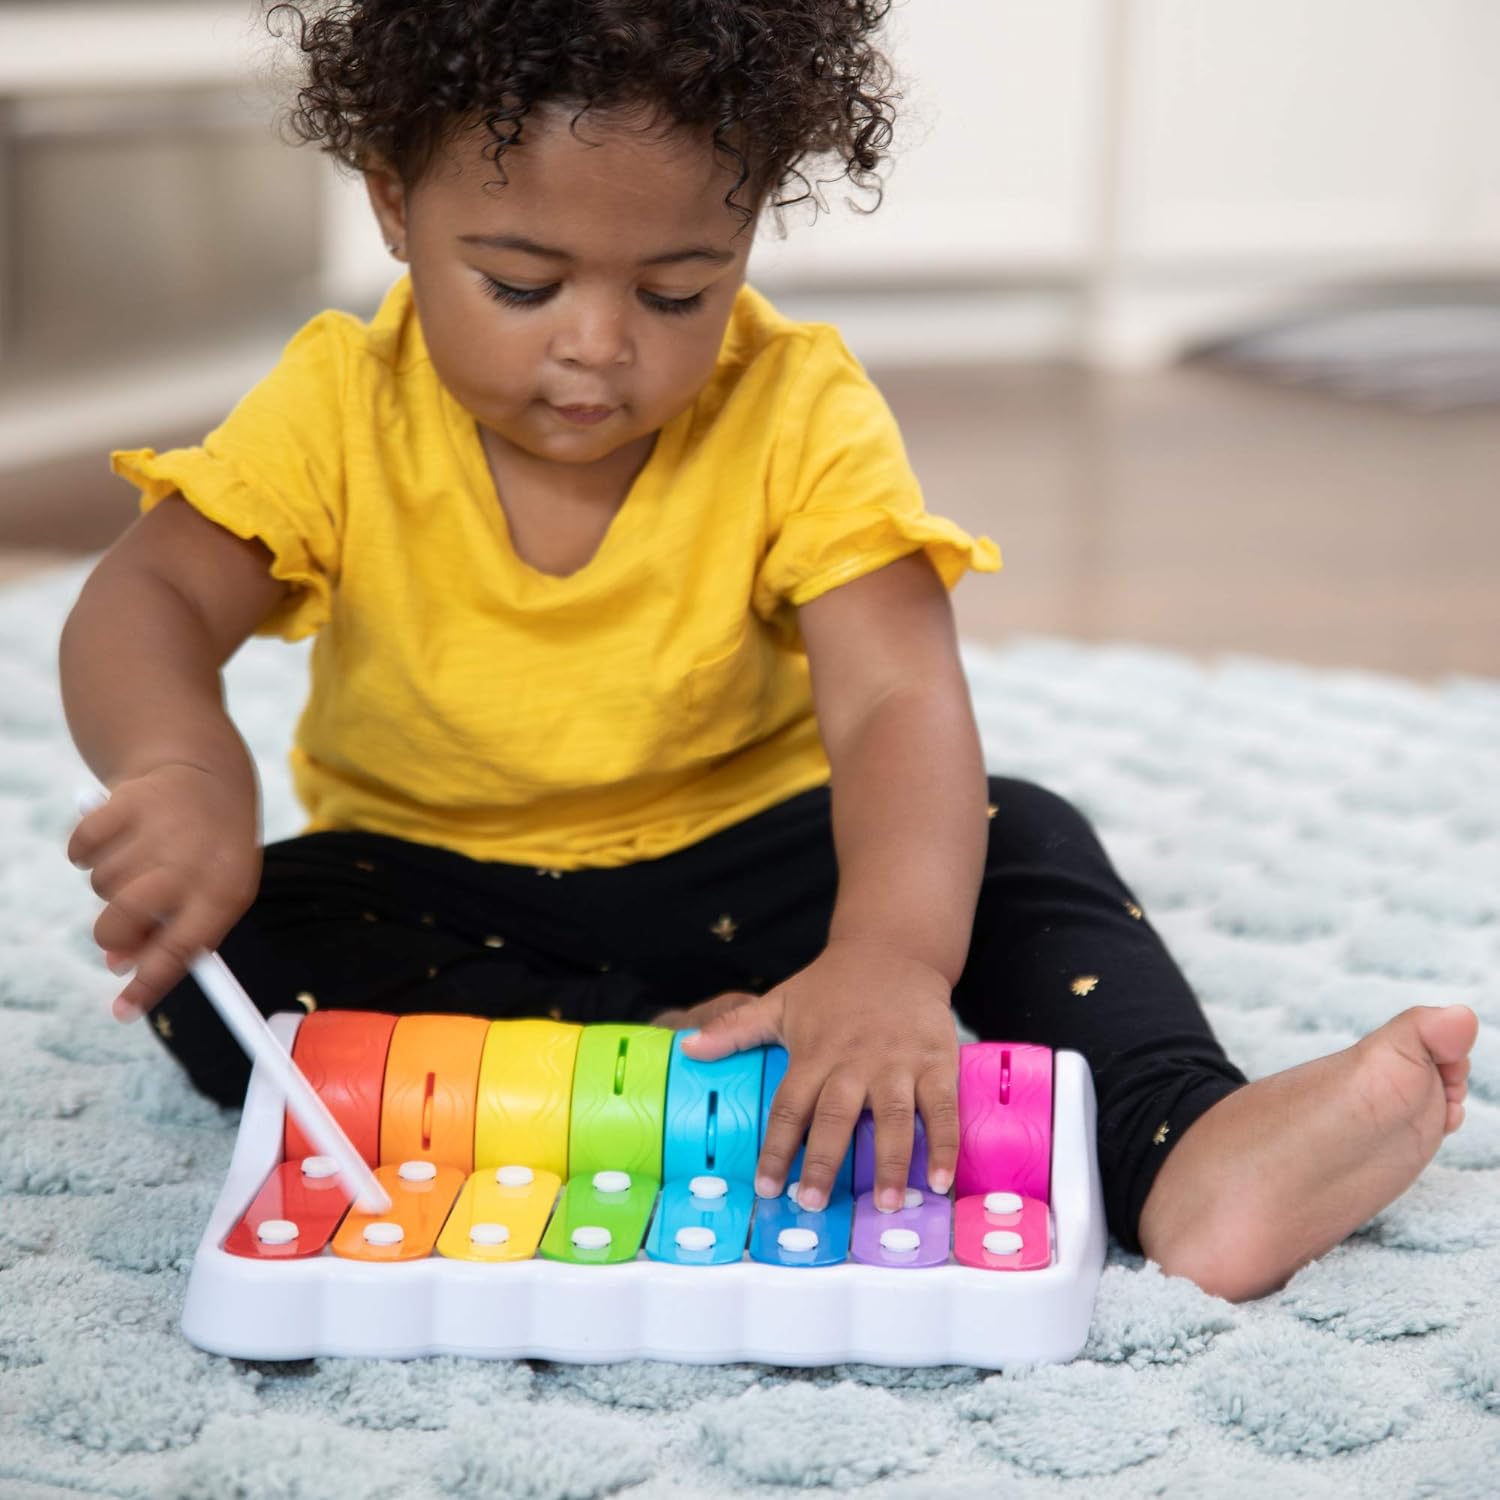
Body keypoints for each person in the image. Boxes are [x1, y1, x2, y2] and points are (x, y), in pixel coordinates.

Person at [60, 0, 1476, 1304]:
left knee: (1015, 835)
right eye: (521, 284)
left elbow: (895, 698)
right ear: (391, 202)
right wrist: (183, 769)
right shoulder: (338, 402)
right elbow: (151, 596)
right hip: (447, 887)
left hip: (764, 873)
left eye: (677, 293)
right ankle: (680, 1062)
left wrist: (890, 956)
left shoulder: (797, 408)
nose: (598, 347)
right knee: (226, 948)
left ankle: (1187, 1148)